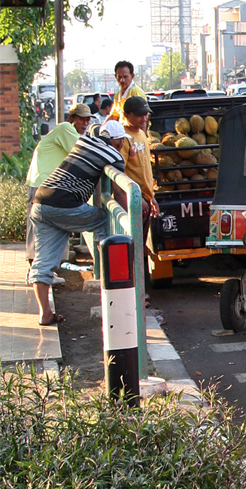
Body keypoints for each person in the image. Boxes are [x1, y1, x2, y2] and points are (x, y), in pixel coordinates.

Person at [29, 121, 128, 326]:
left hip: (40, 203)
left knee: (43, 263)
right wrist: (130, 219)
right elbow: (119, 193)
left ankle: (45, 314)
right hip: (63, 206)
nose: (121, 145)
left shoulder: (84, 141)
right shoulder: (114, 156)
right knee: (103, 218)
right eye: (121, 141)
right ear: (115, 141)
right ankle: (106, 270)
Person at [24, 103, 93, 273]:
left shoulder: (68, 132)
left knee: (52, 229)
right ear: (71, 119)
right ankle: (36, 271)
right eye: (81, 119)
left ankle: (46, 271)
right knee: (38, 230)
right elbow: (84, 151)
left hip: (50, 186)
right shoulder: (65, 128)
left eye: (87, 120)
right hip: (41, 184)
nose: (84, 124)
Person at [118, 95, 160, 223]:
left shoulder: (142, 134)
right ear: (126, 115)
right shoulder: (123, 138)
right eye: (139, 115)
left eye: (146, 114)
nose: (144, 118)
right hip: (133, 199)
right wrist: (136, 198)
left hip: (145, 199)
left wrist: (151, 196)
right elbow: (121, 172)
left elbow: (145, 168)